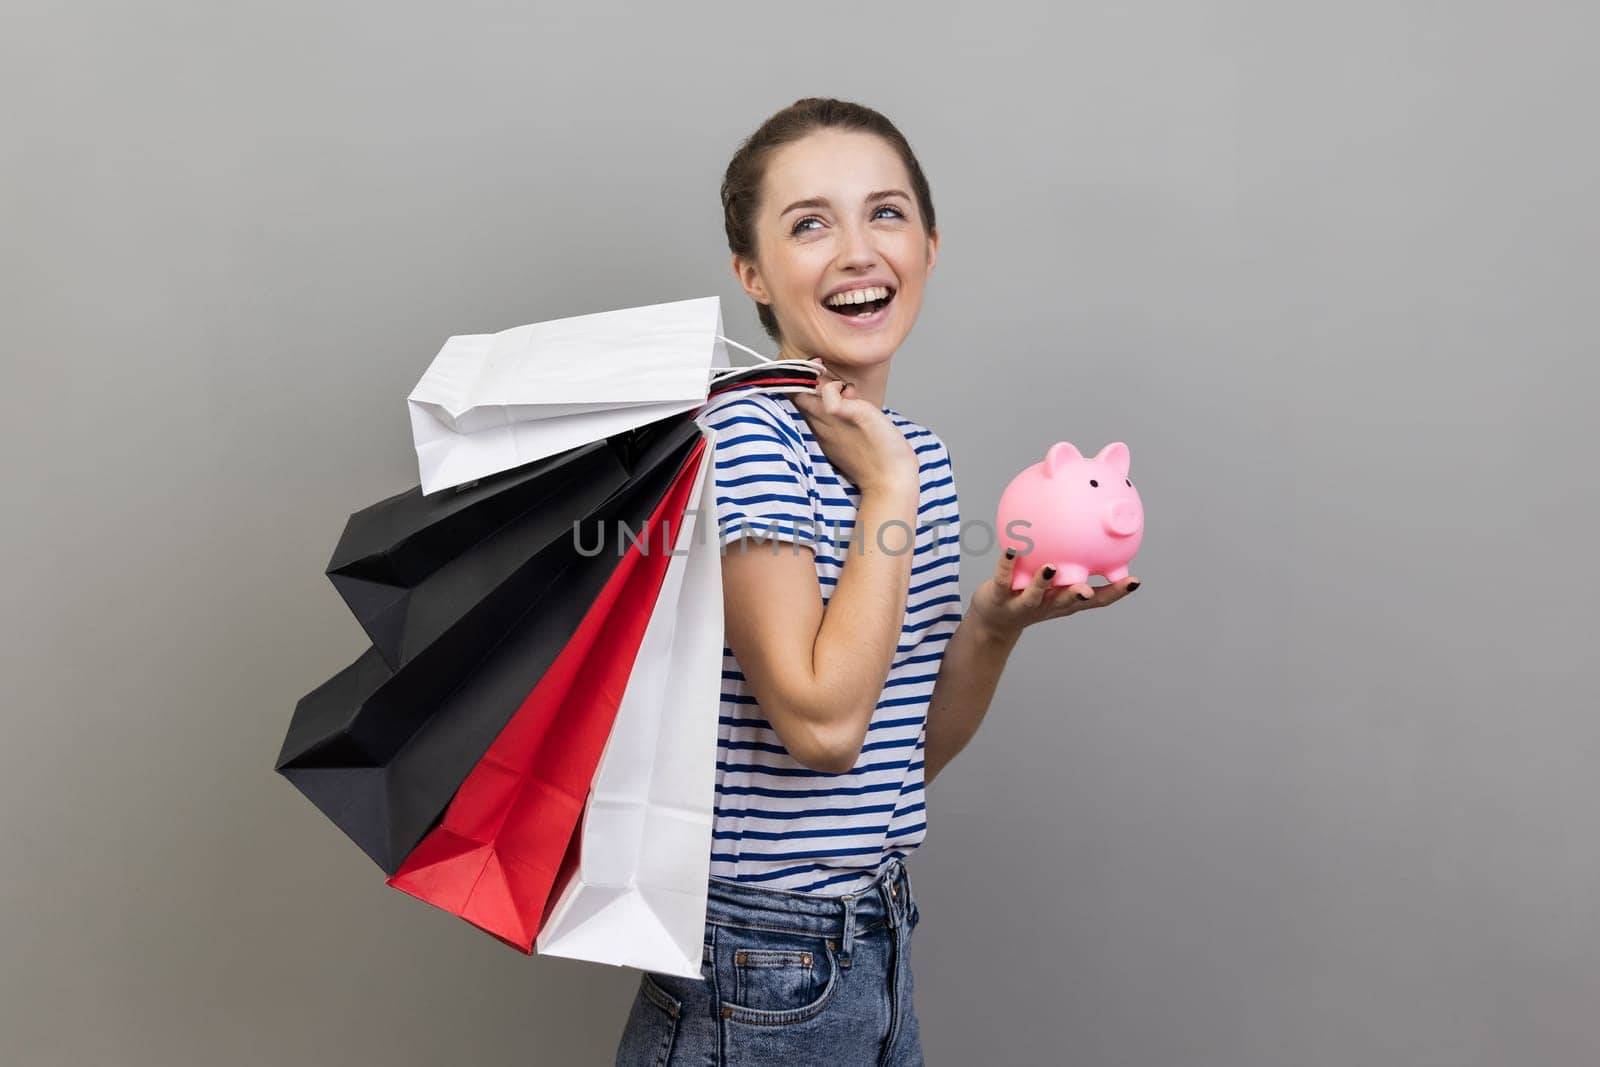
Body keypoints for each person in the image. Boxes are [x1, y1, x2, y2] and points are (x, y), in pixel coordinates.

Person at [614, 97, 1141, 1066]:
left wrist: (990, 625)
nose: (857, 249)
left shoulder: (918, 459)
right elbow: (821, 727)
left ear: (930, 248)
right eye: (809, 223)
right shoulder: (743, 440)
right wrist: (885, 486)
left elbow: (893, 763)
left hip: (875, 937)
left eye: (885, 212)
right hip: (758, 966)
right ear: (752, 272)